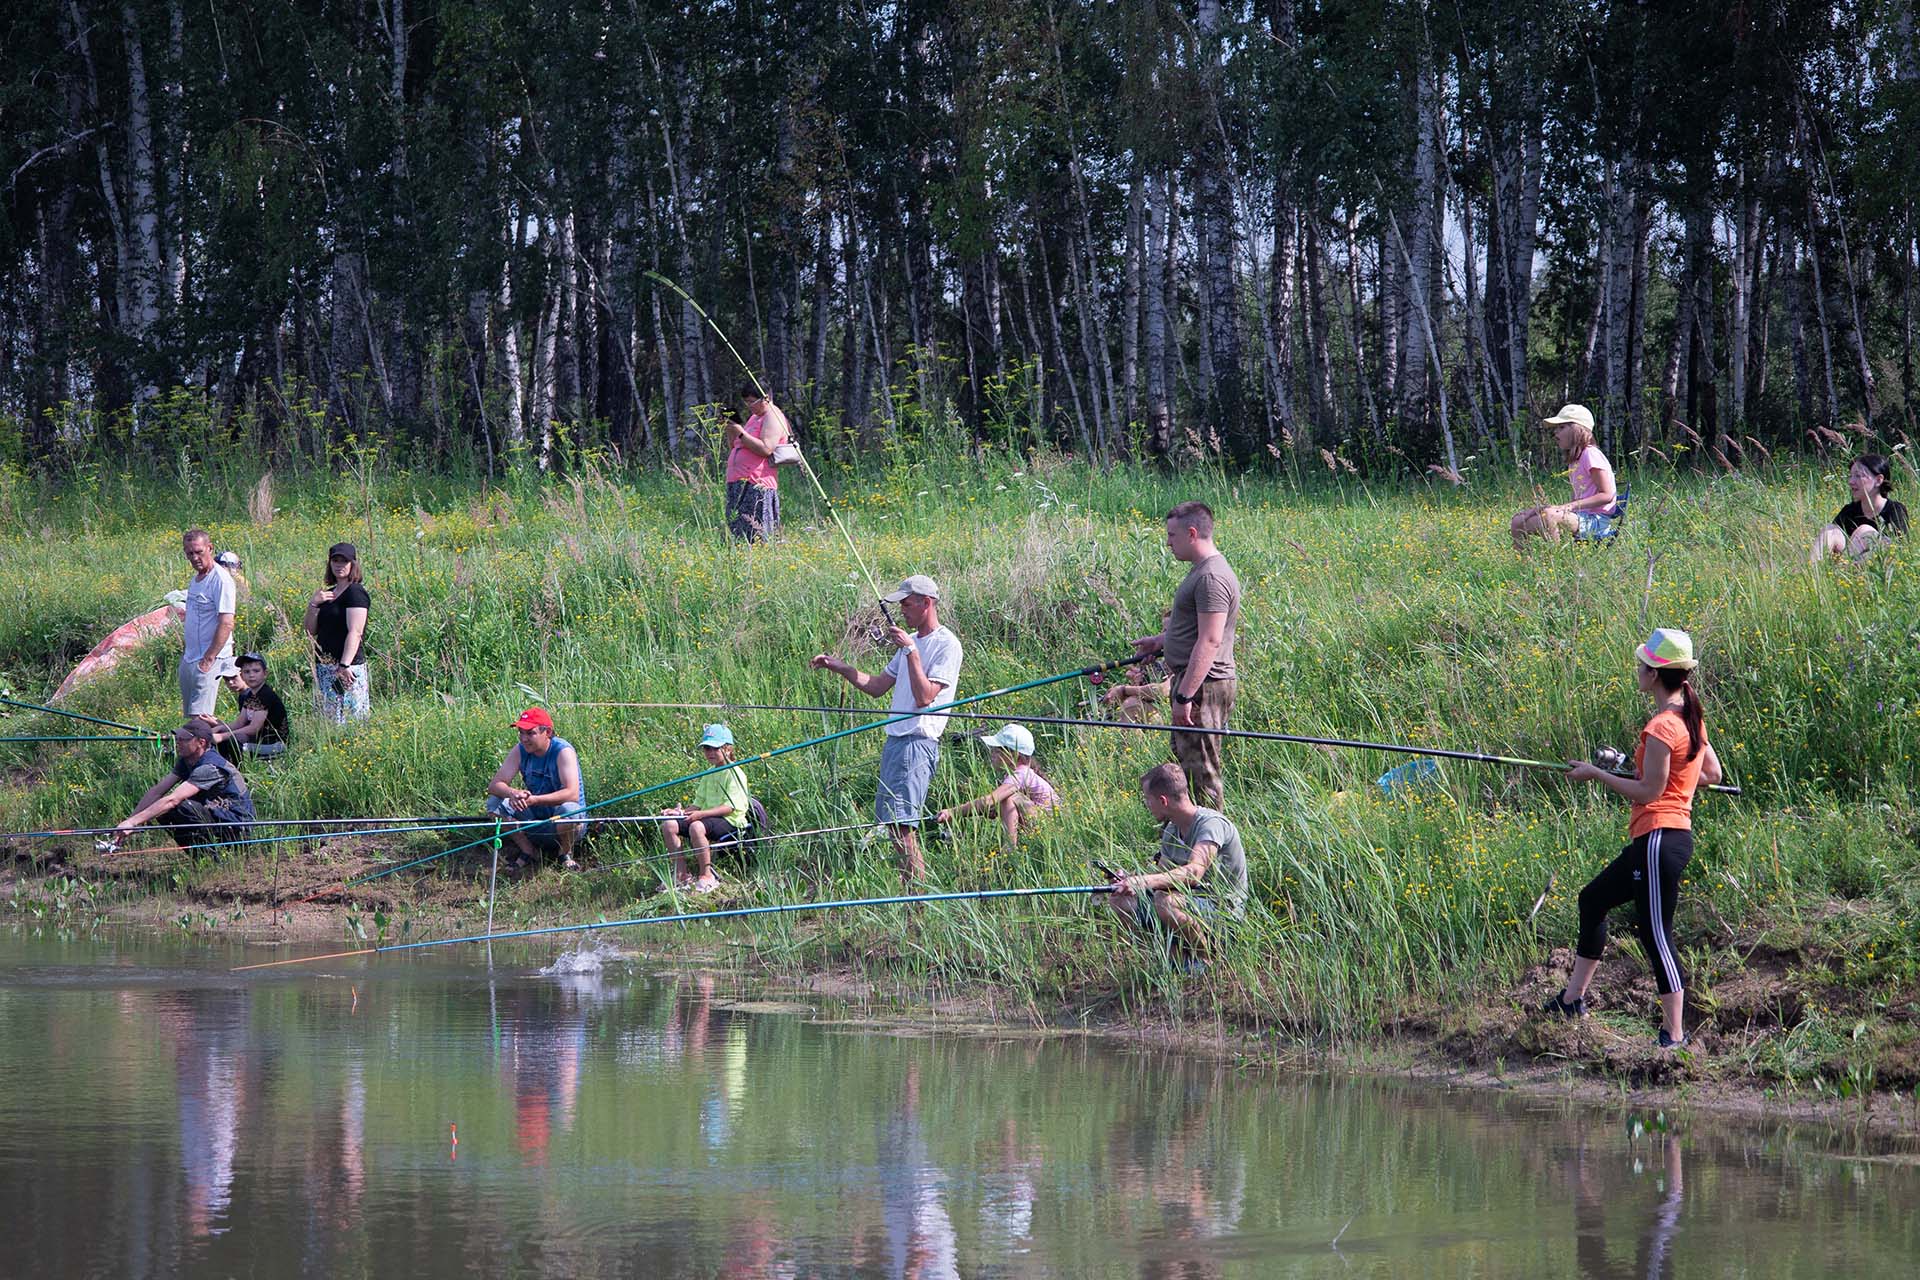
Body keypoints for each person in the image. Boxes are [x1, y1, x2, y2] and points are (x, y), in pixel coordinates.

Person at [1543, 628, 1724, 1048]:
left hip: (1661, 837)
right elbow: (1711, 775)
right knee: (1592, 899)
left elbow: (1649, 792)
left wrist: (1596, 774)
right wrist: (1672, 777)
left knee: (1654, 932)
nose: (1637, 669)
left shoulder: (1663, 726)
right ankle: (1572, 1000)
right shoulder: (1688, 717)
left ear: (1656, 673)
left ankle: (1674, 1035)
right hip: (1659, 838)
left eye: (1643, 664)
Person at [810, 574, 964, 882]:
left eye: (907, 604)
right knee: (894, 826)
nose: (902, 610)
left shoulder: (946, 644)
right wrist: (839, 666)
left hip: (917, 742)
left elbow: (924, 698)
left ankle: (916, 902)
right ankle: (911, 896)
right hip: (896, 742)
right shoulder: (913, 642)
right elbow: (878, 686)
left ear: (927, 603)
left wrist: (911, 651)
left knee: (903, 827)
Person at [1131, 502, 1241, 807]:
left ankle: (1210, 844)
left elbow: (1209, 640)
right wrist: (1162, 641)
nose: (1168, 542)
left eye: (1172, 535)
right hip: (1192, 684)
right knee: (1183, 766)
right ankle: (1182, 838)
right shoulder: (1202, 572)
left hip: (1203, 687)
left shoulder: (1211, 578)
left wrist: (1184, 697)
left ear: (1192, 533)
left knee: (1201, 773)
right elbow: (1196, 630)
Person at [1103, 763, 1248, 959]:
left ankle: (1206, 960)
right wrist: (1128, 882)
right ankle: (1173, 959)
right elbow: (1162, 878)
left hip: (1223, 909)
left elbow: (1195, 872)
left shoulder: (1211, 824)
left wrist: (1143, 881)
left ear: (1163, 800)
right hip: (1190, 903)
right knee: (1121, 901)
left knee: (1166, 902)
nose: (1146, 804)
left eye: (1147, 799)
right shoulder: (1171, 830)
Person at [103, 721, 255, 851]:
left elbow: (173, 800)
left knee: (182, 807)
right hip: (217, 816)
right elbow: (156, 792)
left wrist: (132, 823)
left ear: (201, 743)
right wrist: (129, 823)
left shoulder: (210, 767)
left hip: (237, 826)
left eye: (184, 739)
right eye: (178, 738)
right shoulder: (187, 759)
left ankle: (211, 859)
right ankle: (202, 858)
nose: (178, 742)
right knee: (162, 810)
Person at [485, 708, 588, 870]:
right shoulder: (520, 750)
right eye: (521, 733)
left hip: (564, 822)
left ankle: (564, 853)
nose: (524, 739)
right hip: (535, 818)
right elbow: (495, 785)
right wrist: (514, 793)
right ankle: (528, 851)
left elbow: (572, 794)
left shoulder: (563, 751)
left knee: (569, 809)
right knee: (494, 803)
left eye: (530, 733)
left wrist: (534, 800)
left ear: (547, 732)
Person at [1510, 403, 1620, 550]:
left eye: (1562, 427)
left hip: (1597, 521)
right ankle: (1525, 566)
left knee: (1550, 515)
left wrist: (1567, 507)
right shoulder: (1575, 460)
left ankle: (1556, 561)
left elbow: (1607, 495)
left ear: (1577, 430)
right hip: (1579, 516)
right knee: (1519, 521)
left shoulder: (1590, 454)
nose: (1556, 433)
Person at [660, 724, 754, 893]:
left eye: (715, 748)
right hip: (706, 818)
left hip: (731, 820)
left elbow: (730, 807)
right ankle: (681, 876)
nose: (710, 753)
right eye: (706, 749)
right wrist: (680, 813)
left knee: (697, 826)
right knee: (669, 825)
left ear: (728, 748)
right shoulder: (708, 773)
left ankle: (707, 876)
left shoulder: (735, 773)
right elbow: (698, 804)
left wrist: (700, 815)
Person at [935, 724, 1058, 851]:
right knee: (1002, 801)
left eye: (997, 750)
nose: (992, 753)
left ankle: (1009, 850)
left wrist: (953, 812)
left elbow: (989, 800)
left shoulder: (1020, 774)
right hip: (1042, 825)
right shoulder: (1017, 774)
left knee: (1006, 798)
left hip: (1051, 826)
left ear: (1014, 755)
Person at [304, 542, 370, 723]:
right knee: (330, 721)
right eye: (335, 560)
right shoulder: (328, 594)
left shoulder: (355, 592)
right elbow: (310, 631)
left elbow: (355, 632)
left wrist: (345, 665)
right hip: (325, 665)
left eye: (344, 561)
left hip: (347, 667)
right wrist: (313, 604)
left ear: (353, 564)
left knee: (352, 720)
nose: (339, 565)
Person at [178, 529, 238, 722]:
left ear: (210, 548)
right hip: (191, 656)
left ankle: (222, 747)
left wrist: (209, 658)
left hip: (211, 657)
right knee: (192, 716)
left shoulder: (221, 580)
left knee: (201, 717)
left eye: (199, 552)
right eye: (190, 553)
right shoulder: (196, 580)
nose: (195, 557)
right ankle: (195, 748)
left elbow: (227, 622)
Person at [1811, 453, 1909, 562]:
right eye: (1851, 476)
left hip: (1880, 564)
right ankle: (1812, 571)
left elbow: (1899, 549)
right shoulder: (1849, 510)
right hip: (1850, 561)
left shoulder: (1895, 509)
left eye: (1858, 476)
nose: (1851, 482)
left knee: (1864, 530)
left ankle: (1844, 571)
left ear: (1878, 480)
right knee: (1831, 530)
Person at [723, 385, 790, 542]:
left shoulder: (773, 417)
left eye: (752, 401)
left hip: (757, 482)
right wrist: (731, 428)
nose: (749, 406)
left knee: (755, 533)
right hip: (738, 480)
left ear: (765, 398)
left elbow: (766, 448)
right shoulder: (755, 417)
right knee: (737, 532)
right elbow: (736, 445)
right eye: (746, 402)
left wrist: (740, 431)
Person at [211, 652, 288, 759]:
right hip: (257, 740)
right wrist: (219, 729)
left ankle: (236, 772)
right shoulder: (251, 695)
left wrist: (222, 736)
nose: (251, 675)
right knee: (224, 736)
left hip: (274, 744)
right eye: (247, 672)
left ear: (265, 673)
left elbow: (254, 728)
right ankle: (226, 770)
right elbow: (239, 723)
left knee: (233, 740)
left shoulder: (265, 694)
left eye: (256, 671)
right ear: (242, 675)